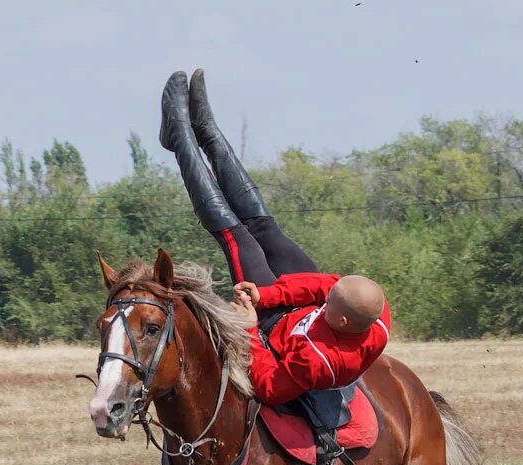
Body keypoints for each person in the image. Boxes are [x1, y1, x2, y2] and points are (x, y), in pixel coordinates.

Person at [160, 69, 390, 406]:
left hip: (278, 325)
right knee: (265, 228)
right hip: (294, 308)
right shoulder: (372, 312)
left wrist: (251, 327)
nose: (328, 295)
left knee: (239, 236)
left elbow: (270, 386)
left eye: (331, 302)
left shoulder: (317, 361)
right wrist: (266, 293)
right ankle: (207, 132)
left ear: (342, 321)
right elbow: (321, 287)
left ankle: (179, 136)